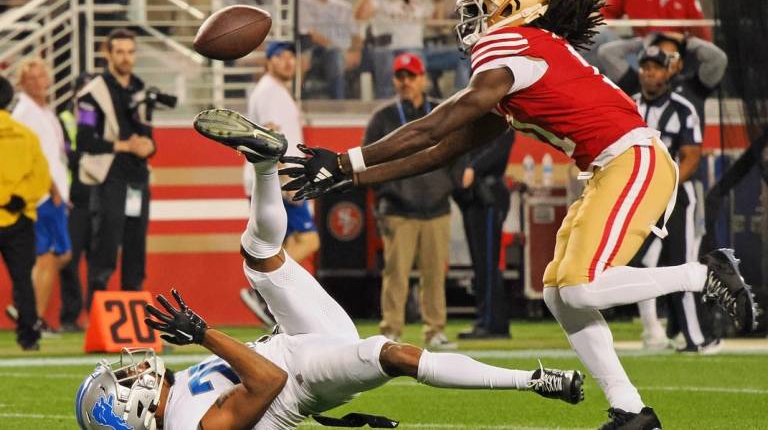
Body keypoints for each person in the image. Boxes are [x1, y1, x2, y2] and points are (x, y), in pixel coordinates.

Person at [273, 0, 758, 428]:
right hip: (612, 166)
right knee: (559, 295)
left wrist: (343, 159)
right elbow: (442, 150)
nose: (471, 21)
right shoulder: (521, 63)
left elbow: (432, 128)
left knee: (582, 288)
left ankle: (704, 274)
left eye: (480, 10)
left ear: (513, 9)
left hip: (633, 159)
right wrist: (350, 178)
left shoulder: (510, 45)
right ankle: (630, 409)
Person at [74, 117, 586, 429]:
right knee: (389, 352)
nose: (132, 370)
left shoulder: (180, 395)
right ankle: (533, 380)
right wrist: (204, 332)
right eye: (121, 381)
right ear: (128, 411)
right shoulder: (188, 425)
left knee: (257, 254)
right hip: (301, 375)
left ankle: (266, 163)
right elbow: (269, 381)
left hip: (298, 341)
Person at [630, 46, 719, 353]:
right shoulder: (629, 106)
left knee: (681, 264)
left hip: (678, 196)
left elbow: (691, 156)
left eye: (655, 67)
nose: (649, 73)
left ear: (668, 71)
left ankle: (698, 338)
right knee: (640, 263)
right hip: (641, 196)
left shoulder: (683, 107)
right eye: (644, 67)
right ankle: (653, 330)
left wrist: (664, 185)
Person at [363, 53, 454, 348]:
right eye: (400, 77)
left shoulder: (439, 111)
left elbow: (458, 150)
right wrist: (384, 197)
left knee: (434, 275)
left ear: (423, 78)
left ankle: (435, 330)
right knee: (396, 275)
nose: (406, 82)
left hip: (437, 206)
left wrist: (449, 183)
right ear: (394, 80)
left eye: (411, 76)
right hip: (398, 208)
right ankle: (391, 331)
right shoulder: (383, 118)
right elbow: (368, 159)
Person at [241, 41, 319, 326]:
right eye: (280, 57)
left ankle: (273, 303)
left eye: (290, 57)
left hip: (275, 179)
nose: (287, 62)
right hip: (279, 180)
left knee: (279, 246)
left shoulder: (273, 91)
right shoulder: (271, 92)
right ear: (268, 62)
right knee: (310, 239)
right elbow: (272, 136)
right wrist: (287, 178)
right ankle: (258, 288)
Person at [76, 28, 156, 308]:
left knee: (136, 248)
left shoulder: (142, 90)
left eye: (130, 52)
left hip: (137, 177)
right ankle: (97, 313)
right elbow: (84, 140)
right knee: (105, 246)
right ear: (107, 54)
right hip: (109, 176)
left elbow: (149, 137)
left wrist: (147, 146)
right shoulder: (91, 93)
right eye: (120, 52)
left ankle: (134, 316)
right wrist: (125, 146)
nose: (126, 58)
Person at [11, 58, 72, 335]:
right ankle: (31, 316)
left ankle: (27, 310)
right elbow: (31, 156)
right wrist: (51, 187)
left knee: (55, 255)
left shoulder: (44, 110)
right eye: (31, 78)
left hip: (54, 191)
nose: (38, 82)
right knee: (49, 256)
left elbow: (54, 152)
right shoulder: (24, 113)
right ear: (22, 83)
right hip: (44, 194)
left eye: (41, 77)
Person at [0, 74, 49, 351]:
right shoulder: (27, 136)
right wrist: (19, 199)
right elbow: (40, 176)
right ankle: (29, 335)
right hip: (19, 216)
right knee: (22, 281)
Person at [454, 130, 515, 340]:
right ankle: (488, 320)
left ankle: (492, 323)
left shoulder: (501, 122)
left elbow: (499, 147)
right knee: (482, 264)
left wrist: (473, 167)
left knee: (487, 264)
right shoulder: (477, 121)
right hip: (474, 196)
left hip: (487, 196)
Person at [598, 31, 728, 127]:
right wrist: (643, 42)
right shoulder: (640, 80)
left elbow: (718, 59)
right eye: (659, 56)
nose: (665, 61)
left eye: (671, 56)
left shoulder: (694, 86)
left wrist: (687, 41)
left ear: (680, 63)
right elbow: (606, 53)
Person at [57, 72, 97, 332]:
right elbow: (67, 155)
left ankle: (96, 318)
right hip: (75, 198)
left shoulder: (101, 117)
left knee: (98, 261)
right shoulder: (64, 119)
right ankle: (70, 317)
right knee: (70, 261)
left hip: (99, 196)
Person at [354, 0, 441, 98]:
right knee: (387, 88)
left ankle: (417, 110)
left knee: (416, 85)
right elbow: (359, 16)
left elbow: (436, 24)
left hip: (413, 46)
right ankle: (385, 110)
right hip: (387, 47)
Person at [298, 0, 362, 99]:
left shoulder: (343, 6)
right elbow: (311, 34)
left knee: (376, 54)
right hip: (315, 51)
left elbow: (356, 34)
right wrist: (340, 50)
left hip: (345, 52)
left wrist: (355, 51)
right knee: (335, 56)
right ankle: (338, 103)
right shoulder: (300, 2)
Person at [601, 0, 712, 41]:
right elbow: (606, 14)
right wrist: (618, 31)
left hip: (677, 48)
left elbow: (701, 31)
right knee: (603, 39)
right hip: (639, 46)